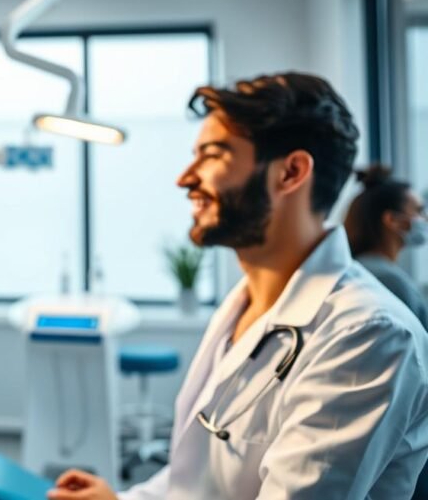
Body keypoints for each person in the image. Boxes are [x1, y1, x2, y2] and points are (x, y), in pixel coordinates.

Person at [48, 73, 428, 500]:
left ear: (291, 172)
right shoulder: (246, 304)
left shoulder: (368, 335)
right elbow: (197, 473)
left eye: (213, 155)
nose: (186, 178)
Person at [344, 164, 428, 328]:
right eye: (419, 211)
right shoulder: (388, 280)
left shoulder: (361, 268)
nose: (424, 219)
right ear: (392, 220)